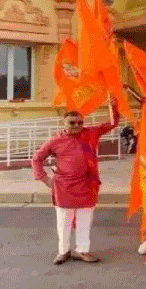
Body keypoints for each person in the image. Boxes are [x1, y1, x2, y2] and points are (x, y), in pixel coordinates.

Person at [32, 104, 120, 265]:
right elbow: (37, 158)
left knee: (85, 220)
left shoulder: (91, 133)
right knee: (64, 222)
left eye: (80, 122)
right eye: (72, 123)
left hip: (88, 185)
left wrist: (114, 107)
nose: (77, 126)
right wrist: (45, 179)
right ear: (64, 123)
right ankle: (63, 251)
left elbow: (112, 123)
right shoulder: (55, 140)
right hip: (64, 187)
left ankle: (82, 250)